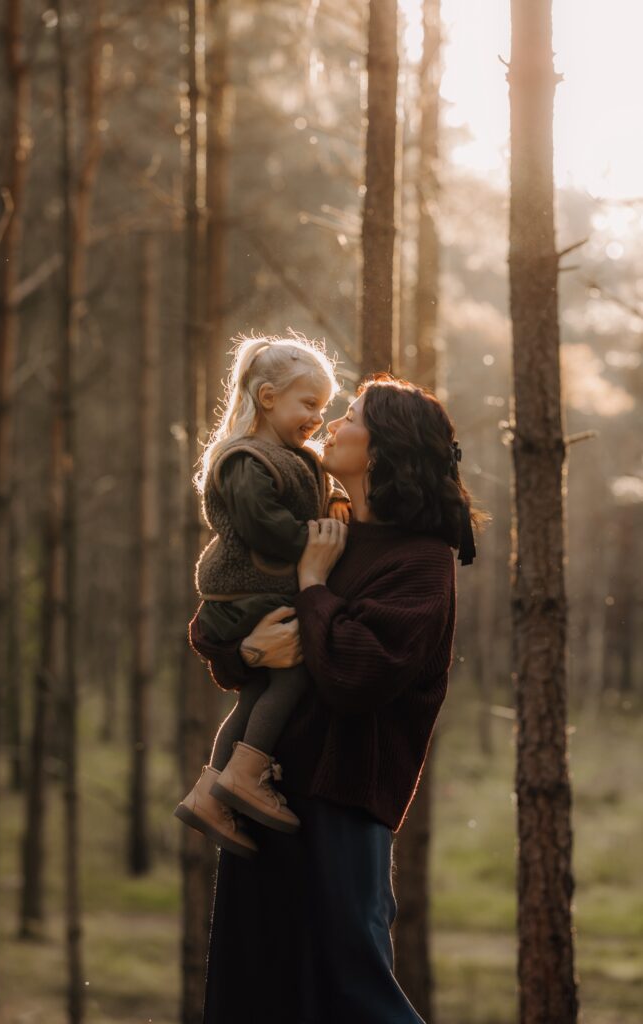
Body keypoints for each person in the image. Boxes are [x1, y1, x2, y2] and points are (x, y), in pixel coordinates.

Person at [188, 373, 483, 1024]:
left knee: (353, 992)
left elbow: (355, 674)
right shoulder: (324, 531)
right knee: (251, 987)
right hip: (259, 795)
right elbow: (228, 630)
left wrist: (315, 587)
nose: (334, 426)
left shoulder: (420, 562)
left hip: (342, 801)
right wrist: (248, 654)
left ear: (380, 451)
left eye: (352, 418)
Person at [174, 334, 351, 857]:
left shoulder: (294, 456)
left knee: (257, 694)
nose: (318, 417)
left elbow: (319, 493)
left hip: (260, 592)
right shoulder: (245, 459)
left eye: (324, 406)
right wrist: (313, 546)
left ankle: (212, 792)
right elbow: (262, 524)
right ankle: (248, 776)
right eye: (309, 404)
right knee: (294, 670)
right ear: (269, 397)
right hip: (243, 594)